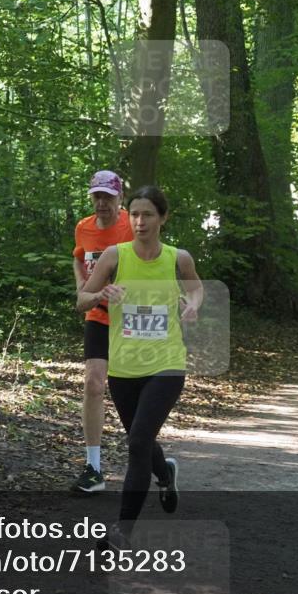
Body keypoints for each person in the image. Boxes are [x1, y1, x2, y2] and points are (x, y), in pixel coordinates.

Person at [76, 186, 203, 551]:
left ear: (163, 218)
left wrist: (192, 305)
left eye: (147, 214)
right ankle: (165, 473)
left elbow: (196, 289)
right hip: (125, 368)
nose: (139, 221)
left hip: (166, 365)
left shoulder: (178, 259)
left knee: (137, 443)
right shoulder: (115, 256)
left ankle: (121, 533)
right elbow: (81, 298)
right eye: (134, 214)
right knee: (141, 442)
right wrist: (100, 295)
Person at [70, 170, 133, 493]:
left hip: (132, 319)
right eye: (96, 196)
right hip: (97, 313)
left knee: (128, 397)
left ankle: (156, 462)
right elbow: (79, 258)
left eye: (107, 196)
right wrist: (83, 285)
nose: (101, 203)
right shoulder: (83, 228)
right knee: (94, 383)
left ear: (120, 198)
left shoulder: (132, 227)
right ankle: (93, 468)